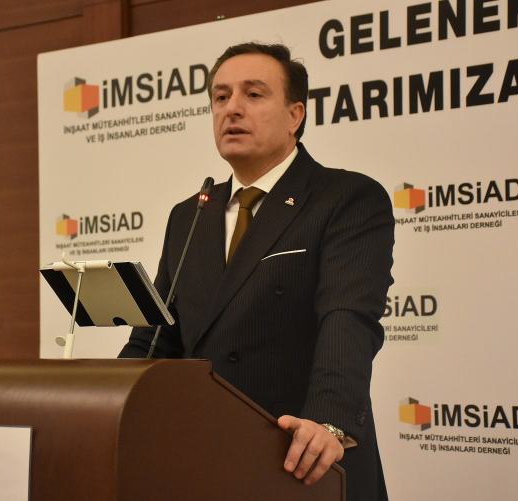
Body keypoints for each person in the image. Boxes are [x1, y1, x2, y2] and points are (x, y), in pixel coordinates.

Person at [120, 42, 394, 501]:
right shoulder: (189, 215)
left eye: (253, 94)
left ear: (294, 116)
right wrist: (109, 401)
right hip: (203, 457)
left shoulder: (345, 198)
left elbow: (347, 318)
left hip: (301, 455)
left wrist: (329, 420)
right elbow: (156, 337)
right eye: (221, 96)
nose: (231, 108)